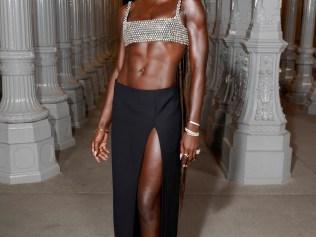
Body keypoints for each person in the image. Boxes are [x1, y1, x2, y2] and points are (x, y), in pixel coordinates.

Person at [91, 0, 208, 236]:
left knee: (147, 198)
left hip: (162, 106)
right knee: (127, 196)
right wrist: (103, 125)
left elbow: (198, 70)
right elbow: (119, 68)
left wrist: (193, 128)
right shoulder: (128, 10)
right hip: (125, 104)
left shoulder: (186, 5)